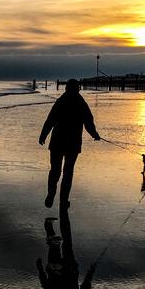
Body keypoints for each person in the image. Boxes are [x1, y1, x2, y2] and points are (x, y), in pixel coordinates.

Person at [39, 78, 100, 209]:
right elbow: (88, 122)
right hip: (73, 142)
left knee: (55, 169)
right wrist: (95, 135)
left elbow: (50, 120)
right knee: (68, 171)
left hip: (57, 141)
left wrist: (43, 135)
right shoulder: (81, 103)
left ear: (66, 88)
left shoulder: (60, 101)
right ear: (77, 89)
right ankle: (63, 201)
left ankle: (51, 191)